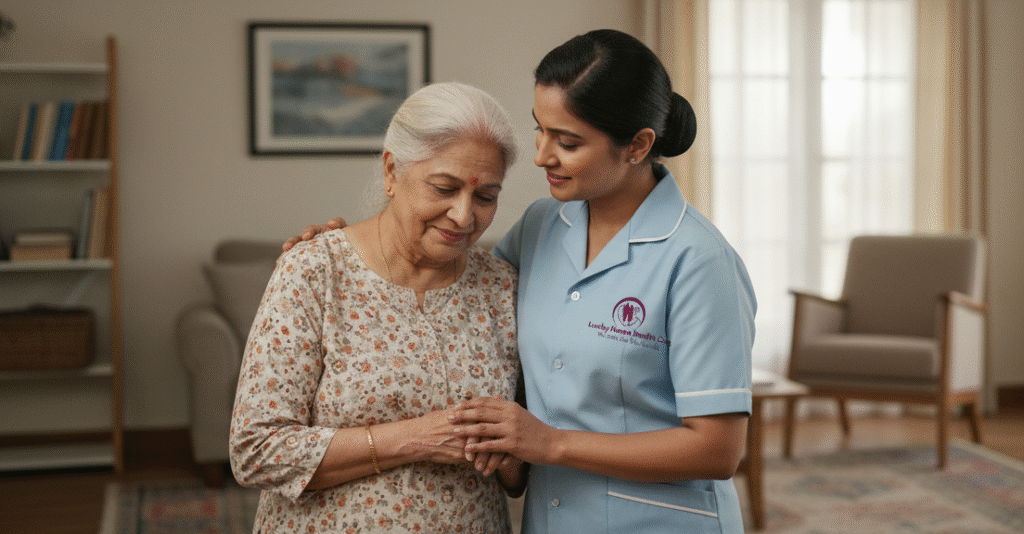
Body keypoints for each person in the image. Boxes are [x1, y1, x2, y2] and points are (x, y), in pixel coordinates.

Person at [285, 29, 756, 533]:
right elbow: (458, 275)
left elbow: (717, 450)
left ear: (637, 146)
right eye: (541, 130)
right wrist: (347, 246)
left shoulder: (700, 260)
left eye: (568, 142)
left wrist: (548, 443)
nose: (541, 156)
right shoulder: (542, 226)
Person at [230, 81, 526, 534]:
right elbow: (255, 452)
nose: (464, 216)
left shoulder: (503, 286)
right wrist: (417, 438)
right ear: (392, 172)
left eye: (485, 196)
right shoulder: (314, 271)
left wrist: (509, 455)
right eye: (444, 188)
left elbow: (522, 470)